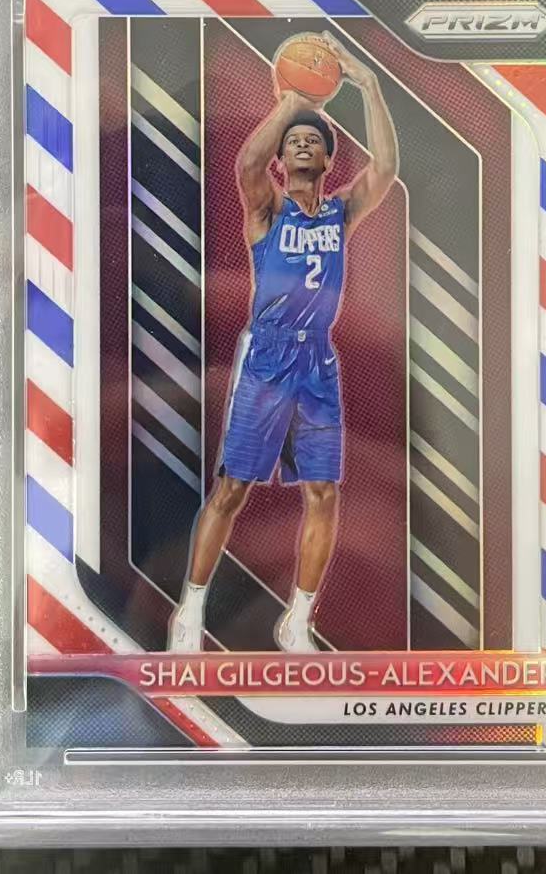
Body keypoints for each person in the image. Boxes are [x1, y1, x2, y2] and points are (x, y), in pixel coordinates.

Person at [168, 33, 398, 652]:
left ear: (326, 161)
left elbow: (385, 169)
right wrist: (291, 101)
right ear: (282, 155)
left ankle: (297, 621)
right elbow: (247, 164)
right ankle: (191, 610)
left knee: (322, 493)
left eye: (311, 140)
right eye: (291, 140)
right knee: (232, 489)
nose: (300, 143)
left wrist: (369, 86)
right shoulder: (267, 210)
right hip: (267, 354)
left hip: (317, 358)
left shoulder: (341, 213)